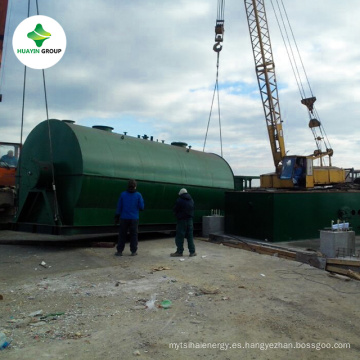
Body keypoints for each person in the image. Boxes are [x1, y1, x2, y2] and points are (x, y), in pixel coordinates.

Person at [114, 179, 144, 256]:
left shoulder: (123, 194)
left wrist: (117, 216)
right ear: (135, 186)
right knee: (134, 235)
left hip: (124, 218)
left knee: (122, 235)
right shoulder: (138, 195)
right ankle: (133, 251)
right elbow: (141, 207)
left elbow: (119, 206)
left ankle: (119, 251)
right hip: (134, 218)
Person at [171, 188, 196, 257]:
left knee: (180, 236)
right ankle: (192, 252)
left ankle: (179, 251)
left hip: (182, 220)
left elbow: (175, 209)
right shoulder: (191, 200)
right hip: (190, 220)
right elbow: (193, 209)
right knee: (190, 236)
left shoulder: (179, 200)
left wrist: (177, 216)